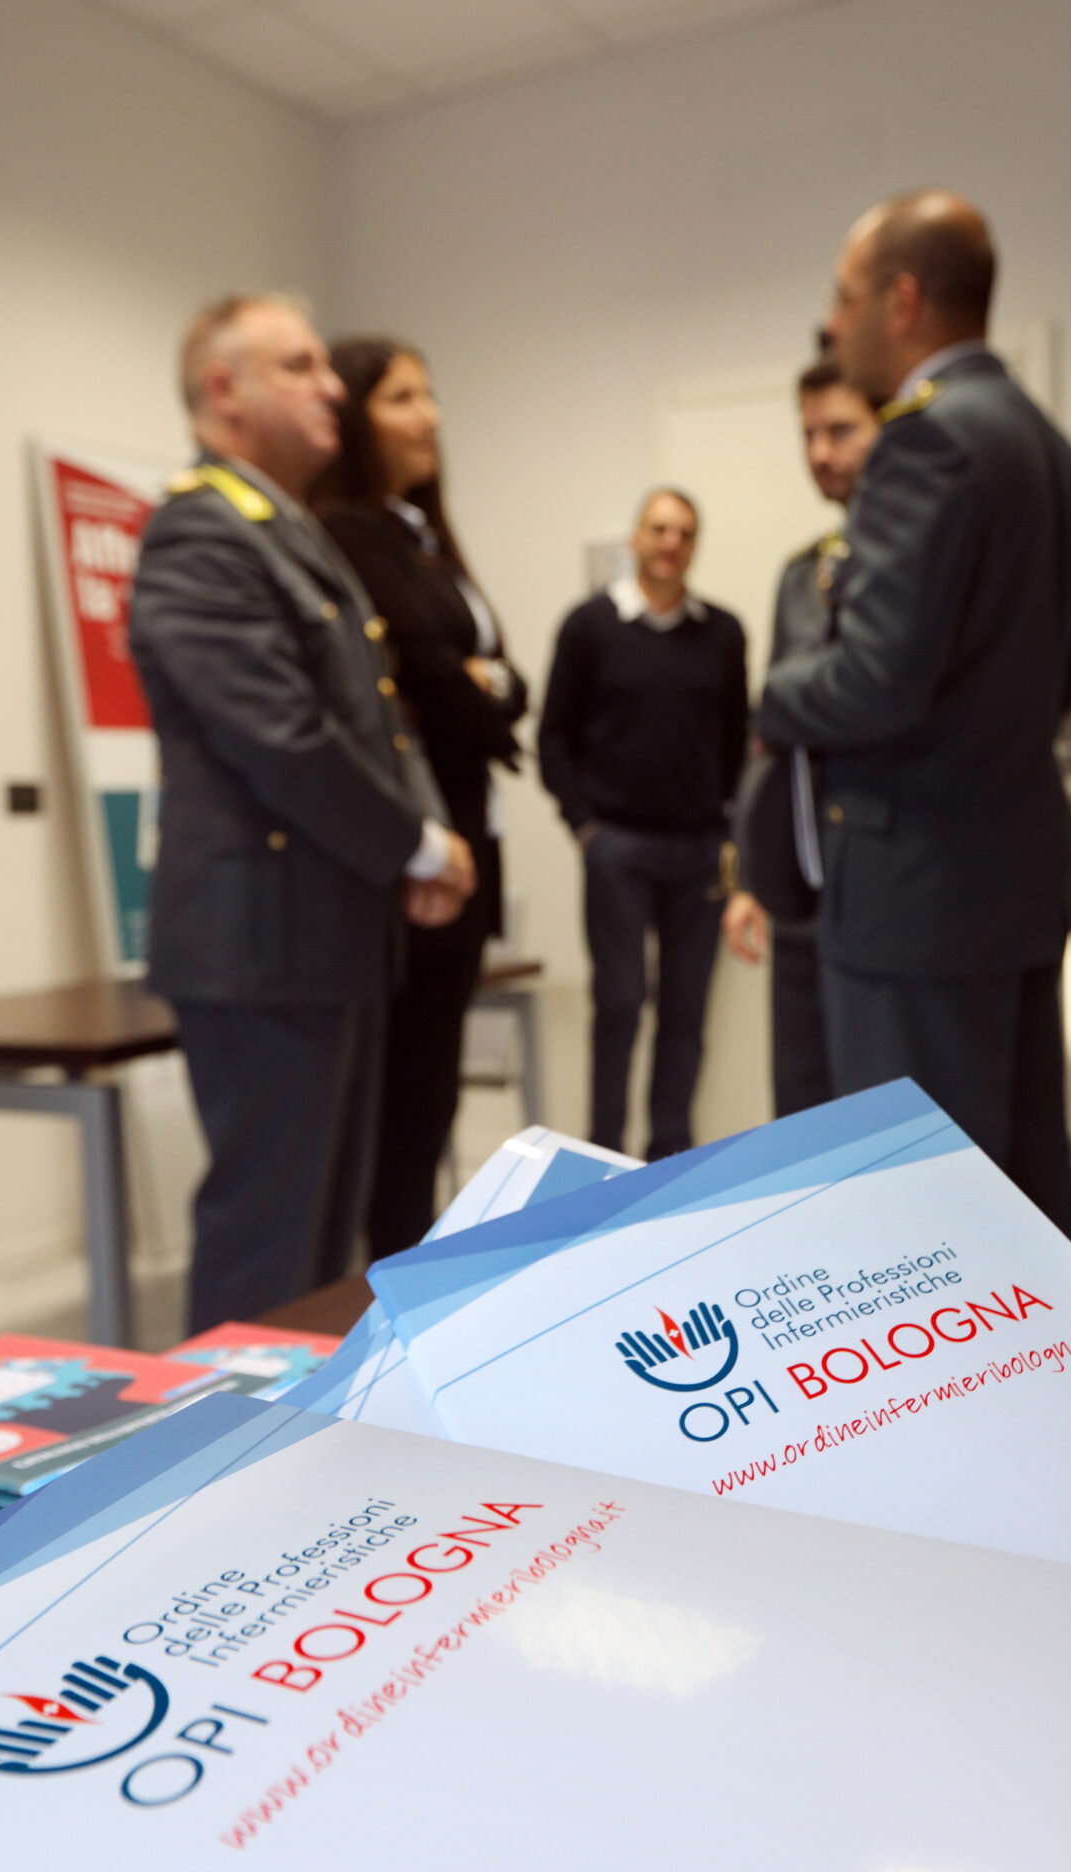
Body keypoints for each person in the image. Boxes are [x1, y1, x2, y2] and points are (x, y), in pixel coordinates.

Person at [129, 294, 475, 1331]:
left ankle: (305, 1465)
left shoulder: (286, 529)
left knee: (323, 1252)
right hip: (262, 947)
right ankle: (224, 1472)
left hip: (322, 931)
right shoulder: (201, 530)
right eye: (299, 366)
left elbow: (376, 714)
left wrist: (420, 836)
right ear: (223, 391)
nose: (331, 387)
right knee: (268, 1249)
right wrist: (414, 841)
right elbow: (277, 733)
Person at [758, 191, 1071, 1249]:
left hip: (915, 901)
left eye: (844, 297)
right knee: (1029, 1205)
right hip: (1013, 883)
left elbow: (870, 685)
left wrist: (769, 691)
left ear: (900, 301)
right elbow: (1066, 670)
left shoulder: (925, 441)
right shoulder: (1046, 444)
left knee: (920, 1234)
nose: (832, 322)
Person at [311, 337, 527, 1257]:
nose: (429, 415)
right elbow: (438, 684)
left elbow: (507, 684)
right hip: (414, 851)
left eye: (430, 394)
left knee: (433, 1093)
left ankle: (412, 1276)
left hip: (472, 836)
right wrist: (482, 685)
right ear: (356, 416)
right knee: (405, 1105)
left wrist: (488, 684)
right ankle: (386, 1294)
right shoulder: (352, 533)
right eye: (403, 398)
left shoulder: (422, 536)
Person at [539, 489, 748, 1159]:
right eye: (659, 528)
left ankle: (671, 1162)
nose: (670, 542)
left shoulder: (723, 633)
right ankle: (604, 1157)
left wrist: (733, 834)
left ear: (695, 545)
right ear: (635, 538)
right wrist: (584, 826)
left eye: (685, 531)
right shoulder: (589, 626)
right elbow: (553, 737)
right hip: (617, 849)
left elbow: (738, 742)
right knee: (621, 1005)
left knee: (685, 1018)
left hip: (698, 851)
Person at [723, 357, 879, 1117]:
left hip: (884, 885)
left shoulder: (907, 562)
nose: (821, 452)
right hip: (800, 891)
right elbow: (771, 741)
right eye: (809, 434)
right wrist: (752, 874)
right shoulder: (800, 574)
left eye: (842, 430)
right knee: (802, 1110)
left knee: (877, 1115)